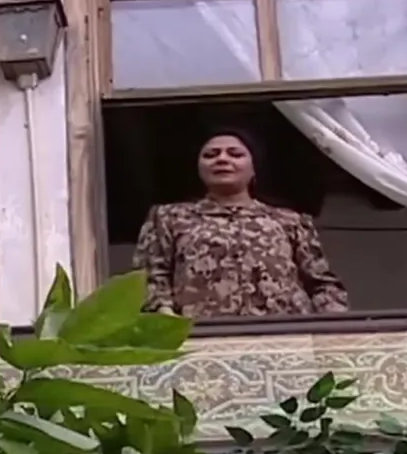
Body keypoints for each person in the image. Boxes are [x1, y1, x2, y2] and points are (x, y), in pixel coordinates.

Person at [132, 128, 348, 319]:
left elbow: (322, 284)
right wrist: (166, 319)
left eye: (235, 154)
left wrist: (333, 329)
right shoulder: (169, 218)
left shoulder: (289, 220)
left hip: (286, 337)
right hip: (201, 338)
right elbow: (149, 279)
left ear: (254, 168)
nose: (222, 159)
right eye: (210, 155)